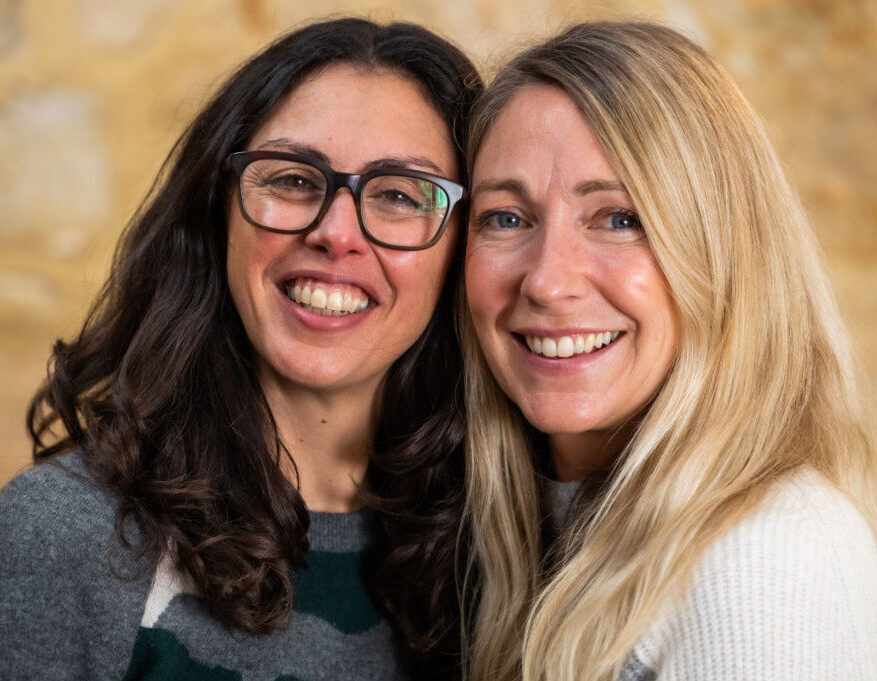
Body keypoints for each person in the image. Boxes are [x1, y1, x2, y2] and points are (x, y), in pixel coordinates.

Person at [0, 17, 481, 680]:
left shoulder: (499, 552)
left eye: (400, 194)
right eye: (291, 179)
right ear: (216, 210)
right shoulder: (64, 534)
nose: (336, 233)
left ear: (462, 252)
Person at [461, 21, 877, 681]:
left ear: (722, 252)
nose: (545, 279)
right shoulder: (531, 533)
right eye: (506, 218)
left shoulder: (764, 557)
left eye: (619, 218)